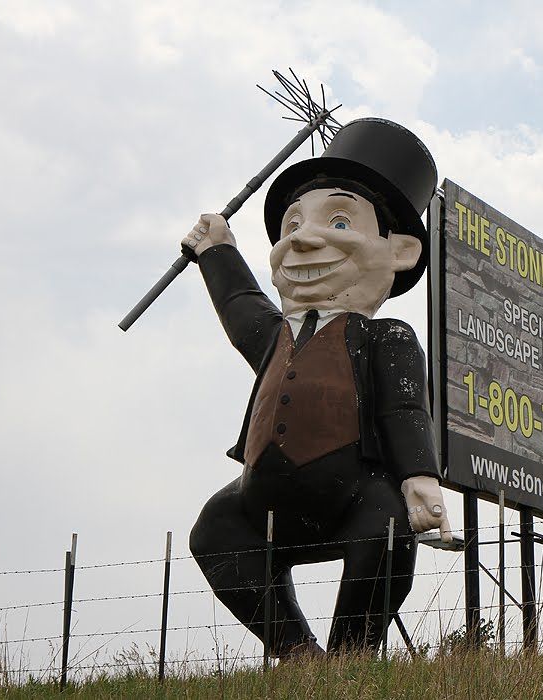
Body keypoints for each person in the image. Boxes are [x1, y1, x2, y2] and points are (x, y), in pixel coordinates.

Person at [185, 118, 451, 657]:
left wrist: (420, 475)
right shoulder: (276, 335)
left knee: (385, 527)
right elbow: (241, 308)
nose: (303, 240)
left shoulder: (386, 335)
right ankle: (297, 654)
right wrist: (217, 250)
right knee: (214, 531)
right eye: (290, 227)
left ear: (398, 251)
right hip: (263, 499)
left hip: (353, 492)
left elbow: (404, 406)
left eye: (337, 220)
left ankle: (351, 655)